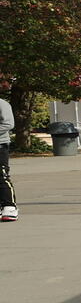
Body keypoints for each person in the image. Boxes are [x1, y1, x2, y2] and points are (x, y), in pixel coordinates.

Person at [0, 76, 17, 221]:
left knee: (2, 175)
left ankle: (9, 206)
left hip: (0, 145)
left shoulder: (2, 104)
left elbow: (8, 124)